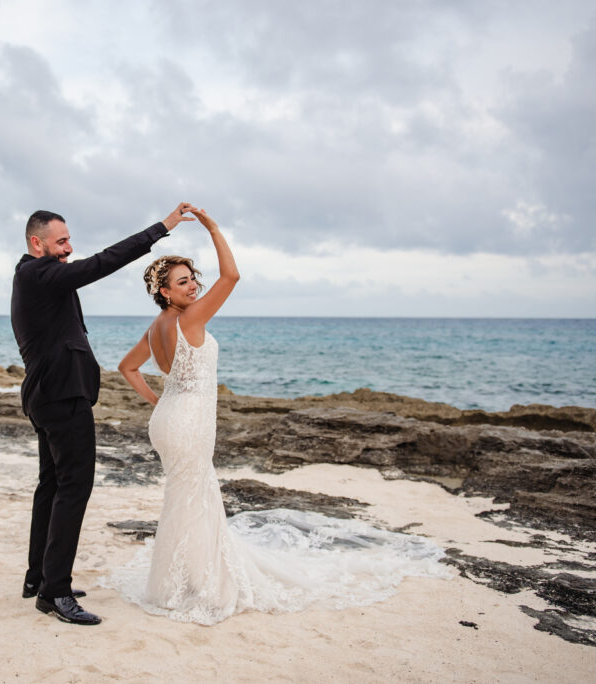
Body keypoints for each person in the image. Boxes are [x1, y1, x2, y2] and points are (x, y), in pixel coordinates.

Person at [105, 208, 450, 625]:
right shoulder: (189, 319)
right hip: (188, 423)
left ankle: (179, 581)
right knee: (196, 500)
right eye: (183, 282)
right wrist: (214, 228)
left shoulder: (156, 326)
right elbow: (231, 277)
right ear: (164, 292)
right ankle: (198, 584)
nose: (194, 285)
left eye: (193, 277)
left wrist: (161, 404)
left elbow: (128, 368)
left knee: (186, 500)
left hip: (168, 422)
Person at [10, 203, 196, 626]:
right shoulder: (37, 273)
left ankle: (38, 577)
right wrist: (160, 229)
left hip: (47, 396)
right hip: (61, 398)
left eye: (69, 240)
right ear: (37, 243)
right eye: (61, 242)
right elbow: (102, 263)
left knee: (52, 485)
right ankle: (53, 592)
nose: (69, 248)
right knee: (74, 488)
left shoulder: (35, 278)